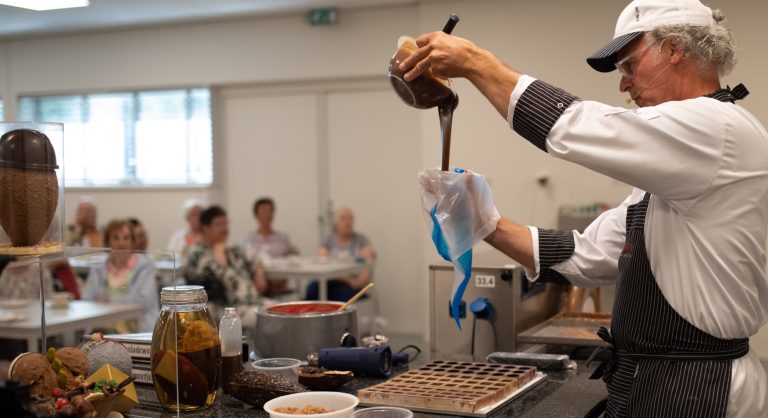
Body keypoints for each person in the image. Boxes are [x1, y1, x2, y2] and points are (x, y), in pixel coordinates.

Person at [403, 0, 767, 416]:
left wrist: (475, 63)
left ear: (674, 48)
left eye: (628, 66)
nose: (623, 85)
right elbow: (588, 256)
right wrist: (482, 221)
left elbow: (573, 125)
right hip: (656, 379)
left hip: (700, 387)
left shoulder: (715, 127)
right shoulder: (678, 169)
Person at [183, 205, 267, 311]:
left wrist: (258, 272)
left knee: (284, 310)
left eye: (226, 224)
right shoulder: (197, 253)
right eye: (219, 224)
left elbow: (252, 256)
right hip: (225, 309)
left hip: (251, 303)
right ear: (205, 227)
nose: (225, 229)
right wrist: (219, 253)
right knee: (276, 318)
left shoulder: (229, 249)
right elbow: (223, 277)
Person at [82, 219, 159, 333]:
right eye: (116, 238)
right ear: (108, 243)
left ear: (133, 242)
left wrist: (109, 299)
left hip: (137, 329)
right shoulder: (98, 269)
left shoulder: (146, 267)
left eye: (126, 238)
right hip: (101, 327)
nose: (121, 243)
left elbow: (143, 301)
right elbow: (87, 300)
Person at [306, 208, 375, 302]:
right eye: (343, 219)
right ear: (335, 223)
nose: (348, 222)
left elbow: (365, 270)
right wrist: (347, 279)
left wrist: (354, 282)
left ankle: (333, 316)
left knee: (340, 294)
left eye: (351, 218)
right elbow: (321, 264)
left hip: (350, 285)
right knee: (312, 289)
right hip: (329, 281)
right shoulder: (327, 241)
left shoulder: (362, 241)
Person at [241, 197, 297, 297]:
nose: (267, 215)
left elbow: (290, 258)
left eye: (269, 211)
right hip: (258, 280)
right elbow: (246, 262)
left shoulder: (283, 238)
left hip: (279, 280)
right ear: (256, 215)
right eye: (263, 211)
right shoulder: (248, 240)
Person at [166, 198, 206, 263]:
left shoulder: (209, 237)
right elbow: (169, 255)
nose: (198, 218)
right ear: (187, 217)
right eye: (194, 215)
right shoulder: (177, 236)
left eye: (200, 214)